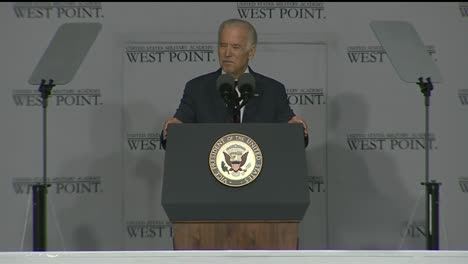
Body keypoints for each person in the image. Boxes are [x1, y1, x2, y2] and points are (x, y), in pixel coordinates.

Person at [161, 18, 308, 148]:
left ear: (251, 52)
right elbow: (177, 131)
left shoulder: (272, 90)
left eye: (235, 47)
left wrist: (297, 129)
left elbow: (293, 136)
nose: (227, 53)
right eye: (223, 45)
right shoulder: (197, 88)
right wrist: (172, 129)